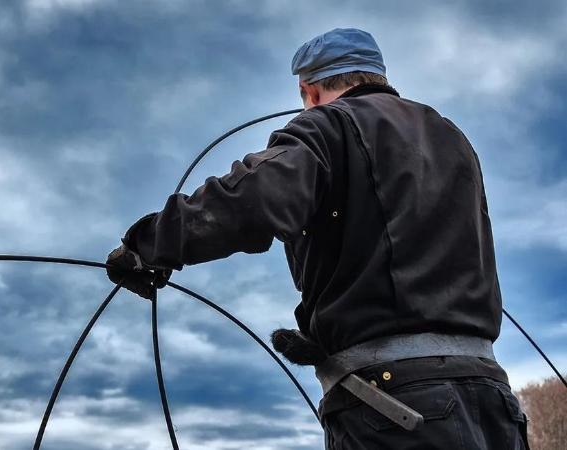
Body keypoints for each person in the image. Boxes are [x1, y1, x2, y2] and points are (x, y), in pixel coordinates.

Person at [105, 27, 529, 449]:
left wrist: (145, 246)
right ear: (376, 75)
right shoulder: (453, 138)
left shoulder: (327, 125)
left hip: (397, 408)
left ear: (308, 90)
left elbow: (253, 198)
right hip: (493, 403)